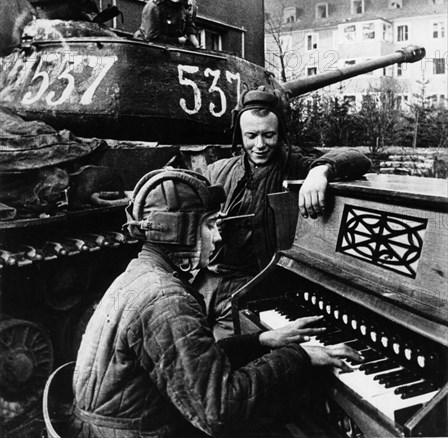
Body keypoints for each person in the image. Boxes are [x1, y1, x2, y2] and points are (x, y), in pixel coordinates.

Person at [68, 168, 361, 438]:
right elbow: (220, 411)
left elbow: (188, 359)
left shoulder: (142, 272)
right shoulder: (167, 301)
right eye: (210, 226)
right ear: (179, 232)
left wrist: (262, 340)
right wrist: (300, 356)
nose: (219, 236)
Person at [195, 86, 372, 339]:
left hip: (253, 286)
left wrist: (320, 171)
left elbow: (358, 158)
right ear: (239, 135)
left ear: (280, 133)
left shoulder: (295, 165)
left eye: (269, 135)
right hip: (205, 283)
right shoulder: (217, 172)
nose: (259, 145)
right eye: (251, 135)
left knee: (227, 358)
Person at [134, 0, 201, 47]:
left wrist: (192, 37)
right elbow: (151, 36)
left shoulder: (182, 4)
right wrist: (178, 40)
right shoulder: (155, 7)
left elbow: (189, 22)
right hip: (146, 46)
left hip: (170, 47)